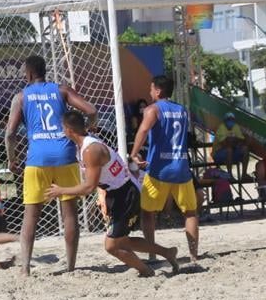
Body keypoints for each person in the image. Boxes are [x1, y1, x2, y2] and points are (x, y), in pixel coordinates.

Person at [46, 111, 178, 277]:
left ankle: (146, 271)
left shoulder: (90, 150)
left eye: (63, 128)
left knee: (111, 246)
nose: (62, 132)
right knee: (121, 241)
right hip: (117, 193)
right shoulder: (85, 145)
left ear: (68, 130)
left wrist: (61, 190)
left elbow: (89, 187)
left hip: (125, 194)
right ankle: (167, 253)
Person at [5, 55, 98, 276]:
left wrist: (11, 159)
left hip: (37, 158)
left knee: (31, 215)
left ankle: (25, 268)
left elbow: (10, 134)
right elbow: (91, 110)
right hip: (64, 156)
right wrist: (87, 131)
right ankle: (71, 266)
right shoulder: (61, 90)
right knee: (69, 214)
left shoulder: (21, 97)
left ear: (28, 73)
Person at [129, 75, 200, 262]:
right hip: (182, 167)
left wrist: (134, 154)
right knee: (190, 213)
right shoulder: (182, 110)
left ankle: (152, 254)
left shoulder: (153, 109)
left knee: (147, 212)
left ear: (158, 91)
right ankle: (193, 255)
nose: (150, 91)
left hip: (159, 169)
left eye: (151, 88)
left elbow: (143, 130)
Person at [212, 111, 249, 177]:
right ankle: (230, 175)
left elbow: (242, 140)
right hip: (218, 154)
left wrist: (232, 140)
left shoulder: (235, 126)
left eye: (232, 119)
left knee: (245, 149)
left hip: (232, 151)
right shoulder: (221, 128)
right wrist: (235, 140)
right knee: (229, 150)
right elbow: (225, 144)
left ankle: (244, 175)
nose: (230, 121)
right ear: (225, 121)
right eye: (228, 119)